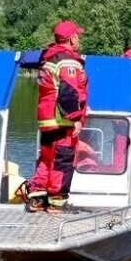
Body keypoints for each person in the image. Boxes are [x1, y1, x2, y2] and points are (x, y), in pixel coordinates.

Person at [27, 20, 89, 213]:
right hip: (61, 119)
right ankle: (56, 203)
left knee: (46, 159)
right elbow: (69, 92)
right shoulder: (68, 61)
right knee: (62, 161)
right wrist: (76, 118)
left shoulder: (49, 59)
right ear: (71, 38)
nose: (79, 38)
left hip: (46, 120)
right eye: (77, 35)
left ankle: (37, 199)